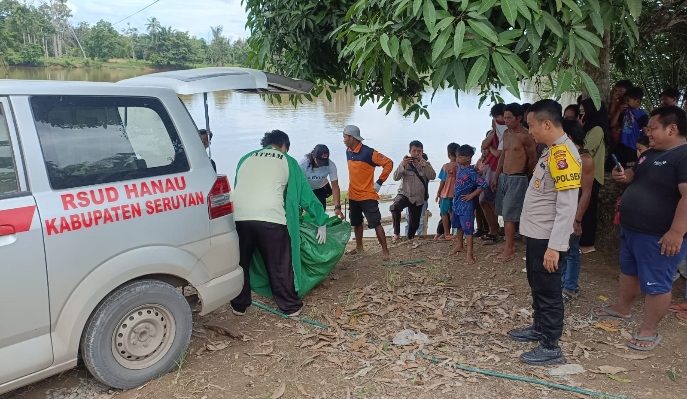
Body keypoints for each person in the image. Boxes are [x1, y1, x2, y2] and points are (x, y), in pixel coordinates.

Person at [602, 106, 687, 351]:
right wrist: (625, 176)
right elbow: (636, 175)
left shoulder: (683, 156)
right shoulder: (650, 154)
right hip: (632, 230)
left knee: (657, 283)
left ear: (672, 129)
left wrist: (676, 232)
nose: (647, 132)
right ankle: (622, 308)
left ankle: (648, 331)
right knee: (629, 271)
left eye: (652, 128)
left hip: (658, 235)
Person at [509, 100, 580, 365]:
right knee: (537, 284)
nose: (530, 132)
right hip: (538, 234)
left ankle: (551, 345)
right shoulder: (551, 150)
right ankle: (539, 327)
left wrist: (555, 246)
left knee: (549, 290)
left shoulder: (563, 155)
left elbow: (566, 206)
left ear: (547, 124)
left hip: (549, 238)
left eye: (532, 126)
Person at [230, 130, 328, 317]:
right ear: (284, 146)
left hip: (240, 217)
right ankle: (290, 306)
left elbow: (239, 187)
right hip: (271, 218)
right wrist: (321, 219)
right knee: (280, 263)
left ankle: (239, 305)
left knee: (242, 262)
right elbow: (304, 196)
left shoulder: (245, 158)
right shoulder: (287, 160)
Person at [492, 103, 538, 262]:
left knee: (510, 215)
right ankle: (508, 243)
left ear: (519, 118)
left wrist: (527, 175)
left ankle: (509, 248)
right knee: (503, 212)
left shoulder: (525, 136)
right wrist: (496, 176)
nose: (506, 121)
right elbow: (503, 156)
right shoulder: (506, 134)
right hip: (505, 176)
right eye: (504, 118)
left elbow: (533, 159)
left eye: (509, 118)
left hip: (518, 177)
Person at [343, 125, 393, 260]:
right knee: (356, 222)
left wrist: (379, 182)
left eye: (345, 137)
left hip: (367, 195)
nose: (343, 139)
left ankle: (385, 251)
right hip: (353, 195)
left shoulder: (368, 153)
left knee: (376, 223)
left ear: (352, 138)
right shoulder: (348, 151)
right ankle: (359, 247)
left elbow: (389, 163)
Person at [560, 120, 595, 302]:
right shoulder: (562, 154)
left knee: (572, 250)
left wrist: (577, 219)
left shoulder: (585, 159)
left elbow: (586, 192)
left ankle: (570, 287)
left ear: (570, 137)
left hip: (573, 211)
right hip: (560, 210)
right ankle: (562, 282)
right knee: (561, 248)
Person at [578, 97, 608, 254]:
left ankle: (587, 243)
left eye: (583, 112)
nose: (580, 115)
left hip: (592, 175)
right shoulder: (589, 128)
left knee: (588, 209)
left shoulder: (597, 130)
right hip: (584, 175)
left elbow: (585, 151)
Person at [391, 140, 436, 241]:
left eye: (419, 151)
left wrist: (424, 165)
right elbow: (395, 177)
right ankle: (396, 233)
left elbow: (433, 176)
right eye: (414, 151)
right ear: (410, 151)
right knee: (394, 207)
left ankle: (410, 238)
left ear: (422, 152)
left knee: (414, 224)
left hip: (418, 198)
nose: (416, 153)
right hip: (404, 194)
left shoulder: (426, 164)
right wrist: (402, 165)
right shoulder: (405, 163)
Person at [451, 145, 488, 265]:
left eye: (460, 156)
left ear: (468, 158)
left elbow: (483, 184)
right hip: (457, 202)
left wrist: (472, 195)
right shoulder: (460, 168)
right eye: (456, 156)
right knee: (458, 226)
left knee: (468, 229)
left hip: (466, 204)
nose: (457, 159)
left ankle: (469, 254)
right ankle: (459, 245)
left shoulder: (471, 172)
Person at [479, 104, 506, 245]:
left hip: (499, 170)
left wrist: (490, 148)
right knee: (485, 200)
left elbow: (499, 153)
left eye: (498, 117)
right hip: (490, 168)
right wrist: (494, 131)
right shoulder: (495, 131)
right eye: (495, 118)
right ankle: (493, 230)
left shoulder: (508, 132)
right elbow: (483, 145)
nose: (497, 120)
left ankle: (495, 231)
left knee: (490, 200)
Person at [299, 144, 344, 219]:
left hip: (320, 188)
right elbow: (296, 184)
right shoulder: (303, 164)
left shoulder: (331, 165)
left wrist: (337, 207)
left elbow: (335, 186)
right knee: (303, 214)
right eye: (320, 161)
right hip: (305, 189)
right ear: (313, 156)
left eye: (324, 161)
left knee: (320, 214)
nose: (322, 165)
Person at [613, 86, 648, 167]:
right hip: (621, 144)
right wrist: (619, 110)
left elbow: (645, 131)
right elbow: (613, 124)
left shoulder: (642, 115)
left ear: (637, 100)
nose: (626, 102)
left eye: (628, 100)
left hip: (633, 146)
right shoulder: (624, 111)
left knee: (630, 167)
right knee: (613, 165)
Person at [436, 143, 460, 240]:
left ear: (449, 154)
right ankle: (455, 233)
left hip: (445, 194)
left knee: (444, 214)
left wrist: (438, 193)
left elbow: (442, 181)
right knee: (453, 213)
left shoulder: (445, 166)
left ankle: (446, 233)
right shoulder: (460, 166)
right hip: (456, 194)